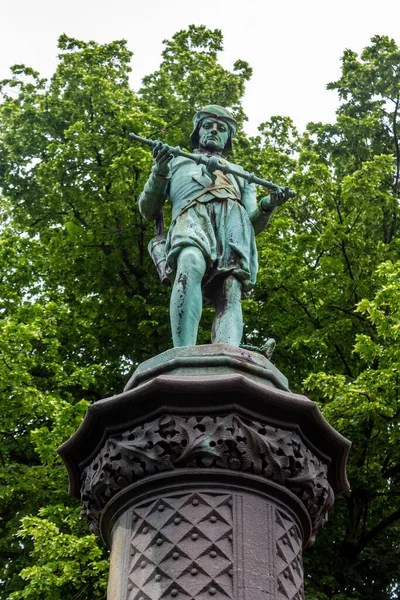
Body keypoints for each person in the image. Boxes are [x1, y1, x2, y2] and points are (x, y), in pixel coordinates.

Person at [139, 105, 289, 347]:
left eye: (221, 129)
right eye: (207, 126)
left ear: (228, 138)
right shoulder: (175, 161)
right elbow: (147, 210)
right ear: (197, 131)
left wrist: (267, 205)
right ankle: (183, 353)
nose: (213, 131)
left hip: (233, 227)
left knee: (230, 289)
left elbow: (252, 224)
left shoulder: (241, 174)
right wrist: (159, 171)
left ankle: (228, 355)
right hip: (191, 220)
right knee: (189, 262)